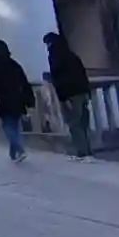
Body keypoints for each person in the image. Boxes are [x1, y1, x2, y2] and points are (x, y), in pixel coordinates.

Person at [0, 39, 34, 164]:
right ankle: (13, 153)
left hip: (3, 100)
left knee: (8, 126)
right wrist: (30, 101)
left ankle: (19, 149)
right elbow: (24, 83)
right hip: (18, 99)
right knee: (15, 125)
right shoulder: (14, 64)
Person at [44, 31, 93, 159]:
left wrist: (62, 97)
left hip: (69, 94)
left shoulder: (55, 58)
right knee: (83, 122)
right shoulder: (72, 56)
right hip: (82, 92)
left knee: (74, 123)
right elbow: (82, 74)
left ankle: (82, 151)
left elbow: (58, 79)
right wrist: (87, 92)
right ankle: (87, 149)